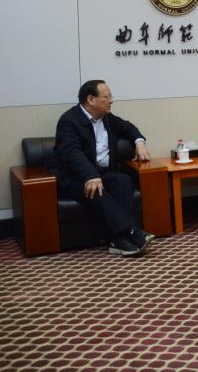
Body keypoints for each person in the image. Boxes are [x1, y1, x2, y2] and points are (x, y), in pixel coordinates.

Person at [52, 80, 154, 257]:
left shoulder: (106, 118)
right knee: (96, 189)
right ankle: (131, 231)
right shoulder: (69, 120)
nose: (111, 100)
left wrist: (140, 143)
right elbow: (71, 153)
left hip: (100, 174)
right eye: (107, 97)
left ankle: (117, 240)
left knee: (123, 180)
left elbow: (129, 128)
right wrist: (90, 175)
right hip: (75, 178)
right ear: (91, 99)